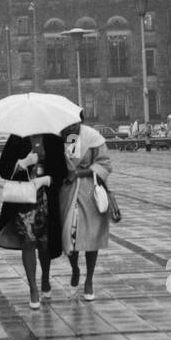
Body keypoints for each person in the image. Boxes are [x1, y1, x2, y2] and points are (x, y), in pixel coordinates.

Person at [0, 132, 67, 309]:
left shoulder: (53, 138)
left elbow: (62, 171)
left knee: (44, 243)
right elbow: (3, 168)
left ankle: (45, 277)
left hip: (46, 199)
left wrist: (46, 179)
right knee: (28, 241)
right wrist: (23, 163)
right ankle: (33, 289)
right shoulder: (17, 138)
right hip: (23, 201)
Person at [59, 120, 113, 300]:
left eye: (75, 124)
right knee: (69, 235)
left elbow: (105, 164)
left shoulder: (92, 137)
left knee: (91, 236)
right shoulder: (68, 137)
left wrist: (81, 173)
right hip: (69, 192)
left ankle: (89, 280)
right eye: (69, 125)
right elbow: (67, 166)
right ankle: (75, 268)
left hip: (89, 191)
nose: (71, 127)